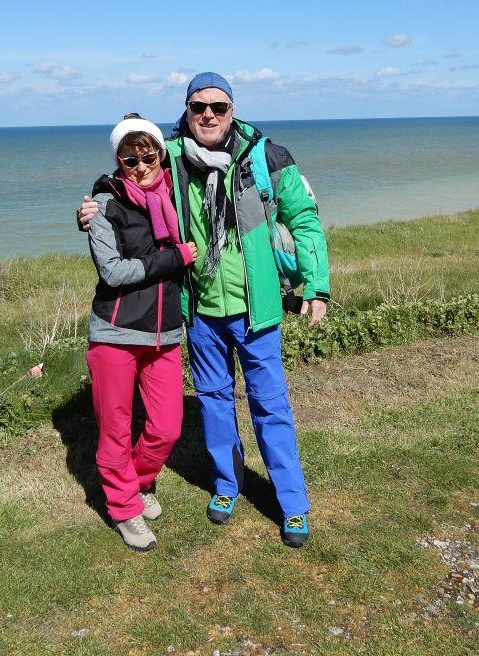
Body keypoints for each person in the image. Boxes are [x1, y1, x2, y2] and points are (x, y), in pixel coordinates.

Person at [80, 74, 330, 547]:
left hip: (258, 310)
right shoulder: (172, 157)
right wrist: (92, 208)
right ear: (187, 111)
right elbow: (130, 176)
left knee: (270, 407)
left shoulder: (265, 156)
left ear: (232, 109)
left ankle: (292, 503)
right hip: (200, 313)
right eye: (198, 107)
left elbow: (303, 215)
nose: (208, 115)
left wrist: (315, 286)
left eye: (218, 106)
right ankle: (226, 486)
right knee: (215, 404)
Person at [84, 113, 198, 551]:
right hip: (115, 333)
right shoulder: (105, 204)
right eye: (129, 160)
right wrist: (175, 259)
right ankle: (124, 508)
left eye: (148, 156)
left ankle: (138, 481)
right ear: (118, 160)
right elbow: (113, 272)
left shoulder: (178, 193)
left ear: (160, 153)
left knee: (167, 427)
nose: (140, 167)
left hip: (165, 333)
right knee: (115, 429)